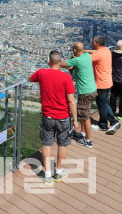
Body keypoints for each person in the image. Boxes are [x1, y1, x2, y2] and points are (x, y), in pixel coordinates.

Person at [29, 51, 80, 186]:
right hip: (63, 117)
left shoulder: (41, 73)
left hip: (48, 116)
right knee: (62, 144)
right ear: (60, 61)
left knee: (47, 144)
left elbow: (30, 78)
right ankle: (58, 172)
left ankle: (46, 175)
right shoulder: (66, 77)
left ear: (49, 61)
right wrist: (75, 120)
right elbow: (71, 101)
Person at [60, 42, 97, 148]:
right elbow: (95, 51)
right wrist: (84, 51)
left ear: (75, 50)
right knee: (83, 112)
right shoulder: (86, 55)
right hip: (92, 89)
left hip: (85, 91)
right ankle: (83, 133)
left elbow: (62, 64)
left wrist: (72, 59)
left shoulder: (76, 60)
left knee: (86, 117)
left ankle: (88, 141)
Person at [86, 36, 120, 134]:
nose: (91, 43)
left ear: (97, 44)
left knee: (102, 104)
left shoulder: (98, 54)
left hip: (101, 83)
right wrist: (85, 50)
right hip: (108, 81)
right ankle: (106, 124)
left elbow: (86, 60)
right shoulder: (106, 50)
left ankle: (110, 123)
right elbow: (95, 53)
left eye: (93, 41)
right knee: (104, 103)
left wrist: (80, 52)